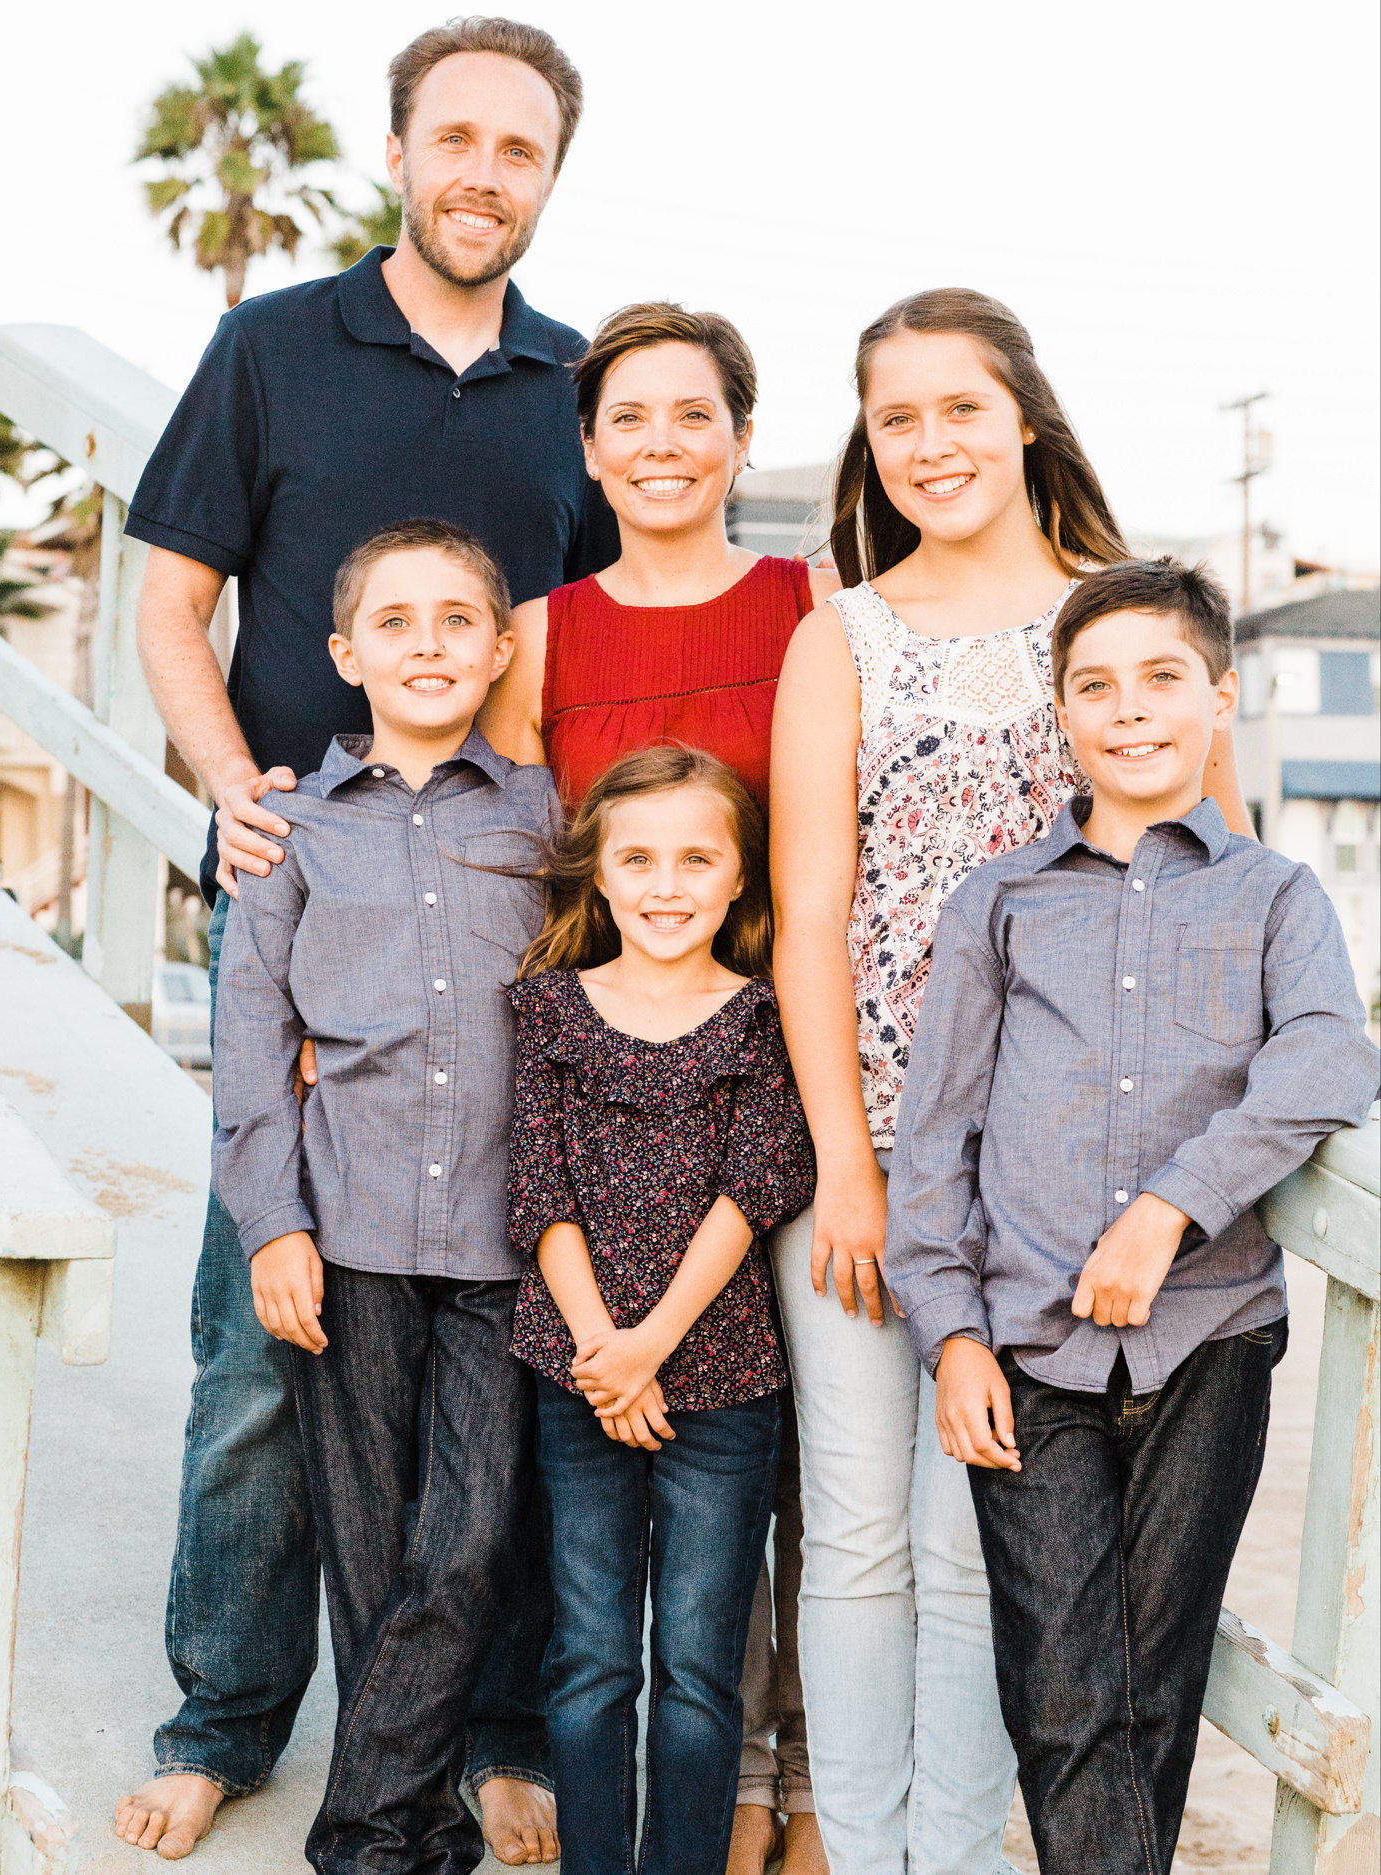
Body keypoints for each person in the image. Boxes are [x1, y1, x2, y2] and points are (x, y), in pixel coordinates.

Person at [116, 19, 616, 1864]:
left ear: (550, 176)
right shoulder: (269, 350)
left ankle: (490, 1724)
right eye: (458, 137)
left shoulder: (583, 387)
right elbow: (171, 599)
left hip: (502, 924)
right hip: (311, 901)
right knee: (261, 1349)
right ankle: (225, 1715)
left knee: (510, 1350)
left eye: (522, 150)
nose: (486, 172)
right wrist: (239, 780)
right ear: (398, 149)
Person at [768, 290, 1255, 1874]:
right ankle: (865, 1841)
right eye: (894, 417)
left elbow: (1222, 896)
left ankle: (962, 1859)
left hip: (1060, 1193)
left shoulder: (1121, 636)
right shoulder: (838, 632)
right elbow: (812, 922)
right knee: (851, 1534)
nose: (929, 444)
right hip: (871, 1162)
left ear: (1023, 415)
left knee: (990, 1548)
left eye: (958, 408)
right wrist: (848, 1160)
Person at [883, 557, 1380, 1875]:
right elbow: (932, 1140)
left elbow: (1329, 1055)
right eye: (1094, 685)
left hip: (1207, 1335)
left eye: (1162, 677)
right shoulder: (999, 899)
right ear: (1061, 712)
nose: (1130, 709)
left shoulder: (1275, 894)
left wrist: (1172, 1203)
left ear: (1218, 694)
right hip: (1026, 1345)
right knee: (1058, 1692)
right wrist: (951, 1333)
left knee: (1150, 1691)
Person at [479, 300, 838, 1874]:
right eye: (629, 417)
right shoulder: (548, 628)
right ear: (589, 448)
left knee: (797, 1491)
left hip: (779, 1049)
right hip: (598, 1061)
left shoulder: (812, 605)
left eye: (694, 415)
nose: (661, 445)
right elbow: (499, 847)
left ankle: (790, 1783)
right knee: (597, 1599)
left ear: (742, 442)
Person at [209, 518, 557, 1873]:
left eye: (457, 619)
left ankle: (357, 1835)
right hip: (344, 1233)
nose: (427, 643)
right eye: (396, 622)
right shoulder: (287, 829)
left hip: (501, 1243)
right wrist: (273, 1225)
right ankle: (409, 1840)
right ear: (346, 652)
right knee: (368, 1554)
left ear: (499, 648)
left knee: (466, 1538)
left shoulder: (540, 813)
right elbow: (249, 1048)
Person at [504, 745, 816, 1875]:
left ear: (740, 878)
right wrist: (602, 1350)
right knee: (590, 1655)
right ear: (597, 875)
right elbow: (536, 1191)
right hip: (577, 1374)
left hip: (722, 1379)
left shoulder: (764, 1017)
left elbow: (755, 1186)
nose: (666, 884)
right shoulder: (545, 1011)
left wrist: (650, 1348)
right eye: (636, 858)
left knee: (695, 1663)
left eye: (696, 857)